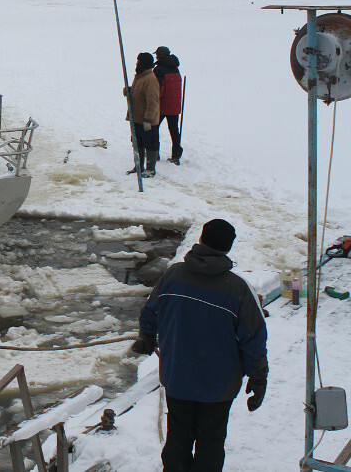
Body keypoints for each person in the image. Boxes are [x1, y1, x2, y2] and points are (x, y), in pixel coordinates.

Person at [132, 219, 268, 472]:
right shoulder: (236, 288)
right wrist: (258, 376)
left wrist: (146, 337)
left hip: (178, 377)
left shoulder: (172, 275)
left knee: (178, 438)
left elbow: (150, 312)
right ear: (228, 247)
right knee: (211, 442)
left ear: (201, 240)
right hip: (218, 384)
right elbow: (254, 337)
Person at [126, 52, 160, 178]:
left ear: (144, 63)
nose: (136, 64)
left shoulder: (150, 79)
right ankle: (138, 166)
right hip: (136, 117)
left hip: (146, 120)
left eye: (138, 61)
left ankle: (150, 169)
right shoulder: (139, 77)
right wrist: (130, 91)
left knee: (150, 144)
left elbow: (153, 102)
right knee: (137, 143)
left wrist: (148, 119)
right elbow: (139, 95)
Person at [154, 46, 184, 164]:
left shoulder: (158, 70)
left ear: (159, 56)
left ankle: (155, 153)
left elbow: (158, 90)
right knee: (174, 129)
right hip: (175, 105)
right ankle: (176, 154)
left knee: (154, 128)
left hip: (162, 105)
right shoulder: (175, 68)